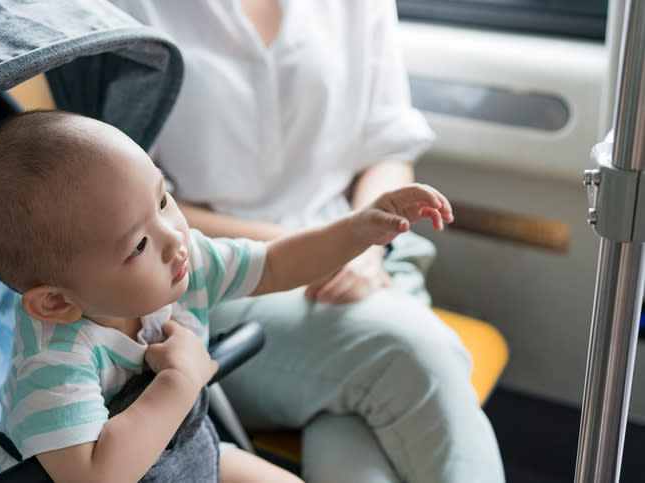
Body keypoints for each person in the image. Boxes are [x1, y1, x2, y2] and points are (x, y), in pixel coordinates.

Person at [111, 1, 506, 482]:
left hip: (363, 264)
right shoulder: (128, 9)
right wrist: (330, 245)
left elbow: (387, 148)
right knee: (415, 355)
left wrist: (365, 246)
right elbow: (133, 206)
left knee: (362, 437)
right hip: (220, 281)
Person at [0, 110, 454, 482]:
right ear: (56, 302)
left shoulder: (177, 261)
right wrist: (182, 377)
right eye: (138, 244)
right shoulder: (56, 361)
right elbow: (95, 476)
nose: (175, 236)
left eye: (163, 199)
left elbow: (277, 263)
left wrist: (354, 232)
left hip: (186, 452)